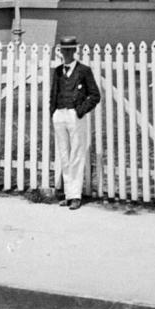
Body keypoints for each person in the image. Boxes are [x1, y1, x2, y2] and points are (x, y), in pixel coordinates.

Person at [49, 35, 101, 208]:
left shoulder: (83, 71)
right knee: (64, 155)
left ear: (74, 51)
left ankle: (75, 196)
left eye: (70, 50)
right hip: (60, 115)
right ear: (61, 52)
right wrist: (53, 112)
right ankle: (68, 194)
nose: (67, 53)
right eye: (64, 50)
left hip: (74, 115)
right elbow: (53, 94)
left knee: (76, 155)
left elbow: (95, 95)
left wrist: (80, 111)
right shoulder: (57, 71)